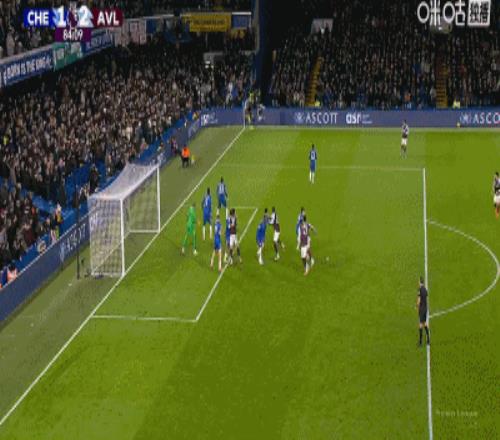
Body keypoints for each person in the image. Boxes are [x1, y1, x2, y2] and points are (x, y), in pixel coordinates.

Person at [417, 277, 430, 346]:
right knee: (425, 323)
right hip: (425, 308)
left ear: (420, 282)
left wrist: (417, 306)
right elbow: (426, 300)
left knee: (420, 325)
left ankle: (420, 342)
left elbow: (419, 300)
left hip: (421, 309)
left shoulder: (419, 290)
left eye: (418, 281)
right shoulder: (425, 289)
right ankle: (428, 339)